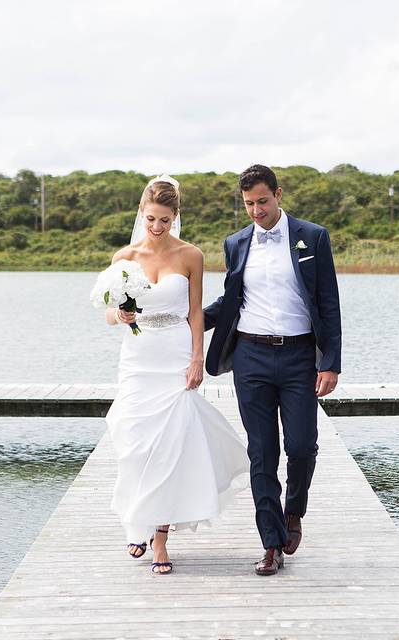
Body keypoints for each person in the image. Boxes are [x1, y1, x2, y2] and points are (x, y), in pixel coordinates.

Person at [104, 175, 249, 575]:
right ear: (141, 214)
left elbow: (197, 312)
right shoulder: (124, 258)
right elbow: (108, 311)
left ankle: (162, 541)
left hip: (175, 355)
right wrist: (120, 314)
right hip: (137, 358)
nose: (156, 227)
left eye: (165, 220)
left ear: (175, 217)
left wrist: (197, 359)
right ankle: (139, 522)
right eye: (151, 219)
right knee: (135, 443)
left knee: (171, 446)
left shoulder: (191, 256)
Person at [204, 164, 342, 576]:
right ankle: (270, 543)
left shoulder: (313, 237)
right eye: (248, 204)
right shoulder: (236, 243)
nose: (256, 211)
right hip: (251, 357)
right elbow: (230, 302)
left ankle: (293, 512)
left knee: (301, 447)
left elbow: (329, 303)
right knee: (261, 453)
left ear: (278, 195)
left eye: (262, 201)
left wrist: (331, 362)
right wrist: (181, 314)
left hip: (300, 356)